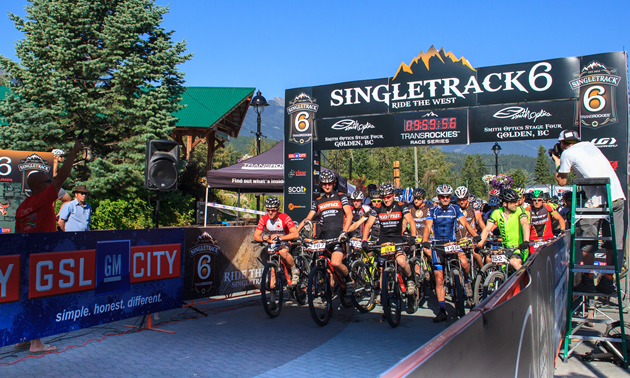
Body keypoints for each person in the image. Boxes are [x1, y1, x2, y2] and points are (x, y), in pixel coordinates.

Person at [14, 137, 83, 353]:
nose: (50, 185)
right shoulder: (43, 199)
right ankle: (36, 343)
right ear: (40, 187)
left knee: (27, 298)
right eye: (47, 183)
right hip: (41, 258)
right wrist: (74, 152)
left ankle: (23, 337)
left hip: (26, 258)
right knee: (40, 298)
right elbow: (62, 176)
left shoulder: (22, 207)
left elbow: (18, 235)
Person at [552, 130, 626, 294]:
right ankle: (608, 281)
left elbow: (562, 181)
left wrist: (557, 161)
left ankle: (588, 280)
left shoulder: (567, 153)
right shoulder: (590, 146)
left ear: (562, 144)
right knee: (611, 242)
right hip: (617, 196)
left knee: (588, 243)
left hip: (596, 202)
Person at [422, 184, 478, 322]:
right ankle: (442, 310)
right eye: (442, 197)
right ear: (439, 197)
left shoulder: (455, 208)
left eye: (447, 196)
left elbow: (465, 224)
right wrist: (425, 240)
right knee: (439, 278)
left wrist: (475, 236)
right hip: (438, 245)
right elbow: (428, 226)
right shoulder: (433, 211)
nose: (445, 199)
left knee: (464, 263)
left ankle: (465, 281)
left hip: (452, 243)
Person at [297, 170, 353, 289]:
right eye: (324, 184)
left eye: (329, 183)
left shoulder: (341, 196)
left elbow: (349, 214)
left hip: (338, 237)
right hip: (324, 238)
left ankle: (348, 279)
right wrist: (296, 233)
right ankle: (329, 298)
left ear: (333, 183)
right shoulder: (318, 201)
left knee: (336, 263)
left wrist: (345, 231)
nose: (327, 186)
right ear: (321, 184)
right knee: (328, 272)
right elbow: (308, 218)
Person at [361, 183, 417, 295]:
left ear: (393, 196)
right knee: (382, 269)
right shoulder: (378, 207)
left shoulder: (401, 205)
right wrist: (364, 240)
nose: (386, 200)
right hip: (384, 241)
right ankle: (383, 295)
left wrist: (413, 236)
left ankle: (410, 278)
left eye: (388, 197)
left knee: (401, 261)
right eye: (384, 197)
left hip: (397, 240)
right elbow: (368, 225)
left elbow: (411, 221)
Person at [477, 189, 531, 271]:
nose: (516, 204)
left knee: (514, 263)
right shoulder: (496, 213)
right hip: (505, 248)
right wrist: (480, 244)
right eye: (513, 202)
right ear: (505, 203)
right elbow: (487, 228)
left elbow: (525, 224)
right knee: (495, 264)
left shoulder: (519, 210)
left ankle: (528, 281)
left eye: (516, 201)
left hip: (519, 247)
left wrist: (526, 241)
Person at [254, 196, 300, 290]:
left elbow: (295, 234)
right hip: (272, 245)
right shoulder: (264, 219)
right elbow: (256, 236)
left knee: (283, 252)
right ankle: (272, 300)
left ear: (278, 209)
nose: (270, 212)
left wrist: (280, 238)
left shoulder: (284, 217)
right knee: (271, 271)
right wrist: (263, 238)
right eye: (268, 210)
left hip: (284, 243)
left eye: (273, 210)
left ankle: (294, 270)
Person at [454, 186, 485, 273]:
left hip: (471, 237)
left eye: (463, 199)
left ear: (467, 198)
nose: (461, 202)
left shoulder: (473, 206)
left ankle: (482, 272)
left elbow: (479, 220)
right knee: (458, 258)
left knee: (476, 254)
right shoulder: (455, 208)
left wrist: (487, 231)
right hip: (459, 239)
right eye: (459, 200)